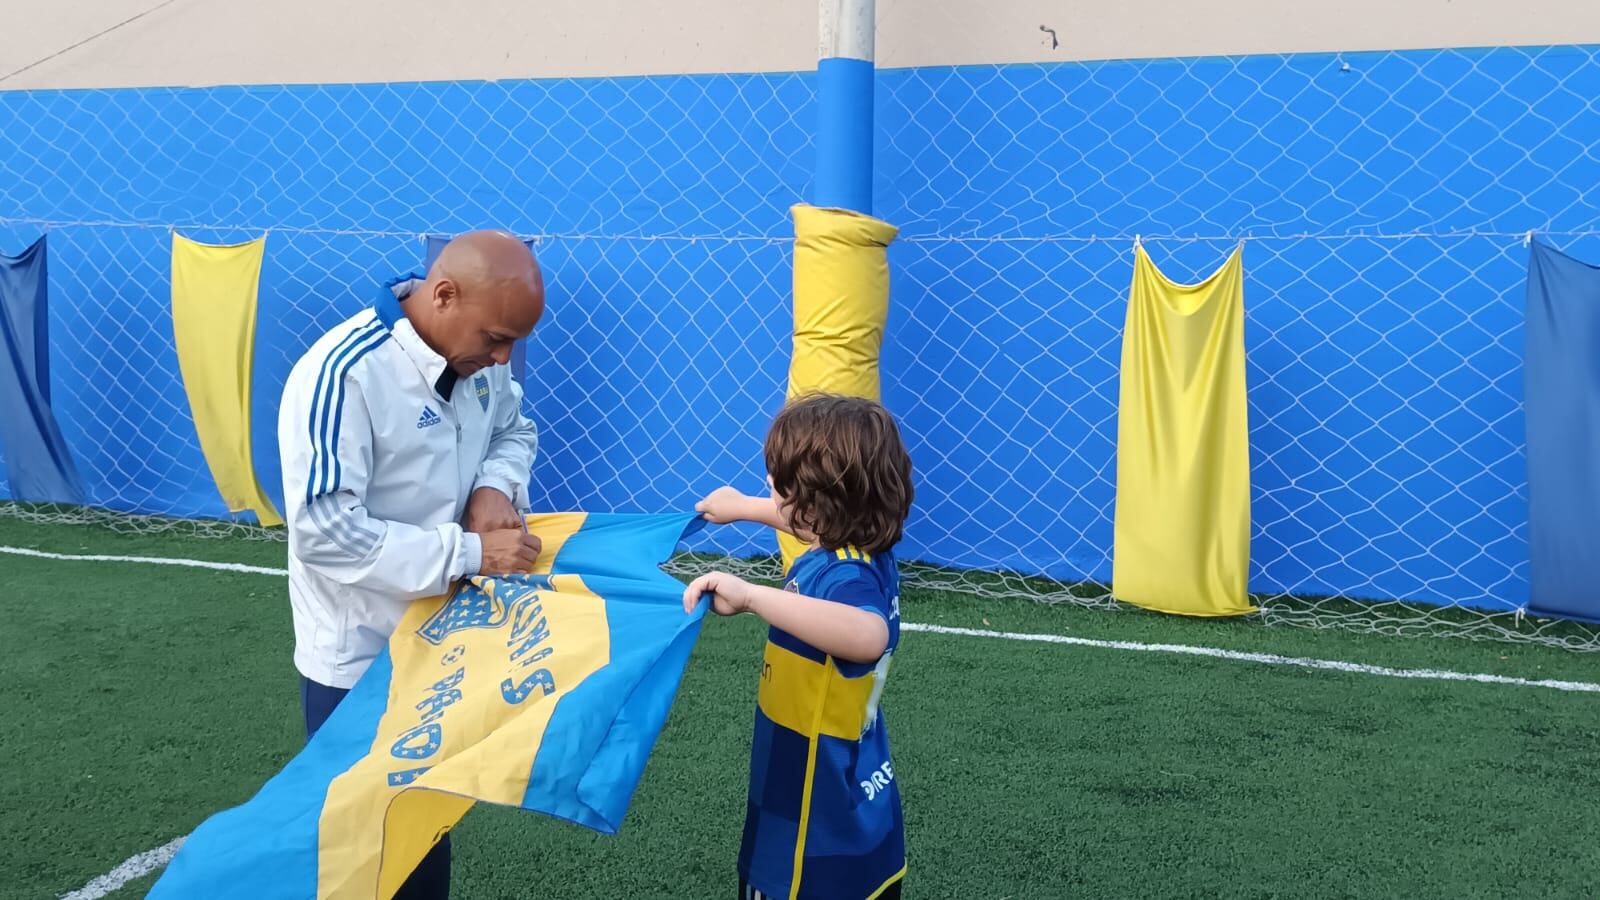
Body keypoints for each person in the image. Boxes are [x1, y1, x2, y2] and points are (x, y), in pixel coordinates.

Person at [276, 230, 545, 898]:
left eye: (513, 343)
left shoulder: (482, 351)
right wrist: (473, 552)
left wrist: (493, 488)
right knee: (369, 852)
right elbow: (325, 531)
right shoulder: (342, 374)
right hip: (361, 659)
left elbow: (514, 430)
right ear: (444, 295)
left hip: (444, 641)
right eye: (497, 338)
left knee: (423, 836)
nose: (505, 356)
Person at [685, 393, 914, 900]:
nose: (771, 487)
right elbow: (810, 522)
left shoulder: (847, 577)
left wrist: (751, 596)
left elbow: (867, 633)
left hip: (817, 811)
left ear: (819, 503)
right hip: (855, 790)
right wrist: (745, 508)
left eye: (781, 485)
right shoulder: (858, 548)